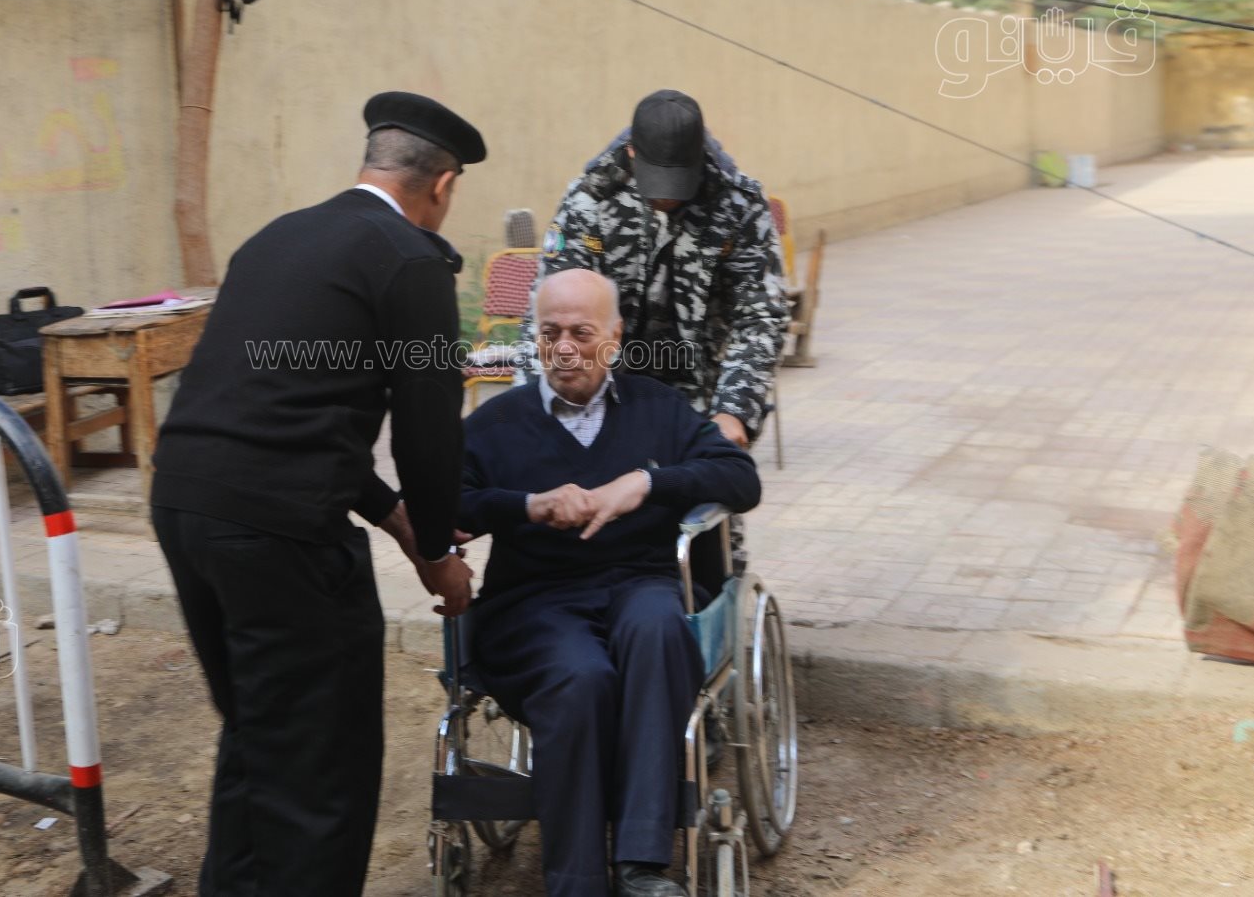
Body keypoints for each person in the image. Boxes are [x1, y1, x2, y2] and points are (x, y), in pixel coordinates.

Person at [150, 92, 484, 897]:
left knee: (262, 737)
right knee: (321, 771)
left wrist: (394, 518)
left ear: (373, 162)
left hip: (186, 506)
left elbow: (280, 407)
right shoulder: (410, 259)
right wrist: (437, 549)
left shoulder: (276, 238)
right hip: (279, 535)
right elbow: (428, 430)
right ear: (442, 185)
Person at [462, 268, 762, 897]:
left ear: (616, 337)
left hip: (638, 583)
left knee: (658, 629)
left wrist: (646, 483)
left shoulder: (657, 408)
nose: (564, 348)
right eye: (550, 333)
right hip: (534, 602)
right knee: (581, 677)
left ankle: (640, 864)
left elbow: (740, 478)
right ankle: (577, 882)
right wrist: (527, 506)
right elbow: (443, 504)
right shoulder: (497, 423)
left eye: (581, 332)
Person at [528, 88, 787, 591]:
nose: (668, 198)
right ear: (632, 154)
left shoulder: (738, 204)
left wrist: (735, 411)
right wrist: (543, 416)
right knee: (593, 541)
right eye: (657, 184)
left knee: (707, 547)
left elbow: (761, 315)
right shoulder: (590, 201)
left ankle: (706, 622)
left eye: (680, 183)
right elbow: (553, 311)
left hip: (699, 402)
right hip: (604, 396)